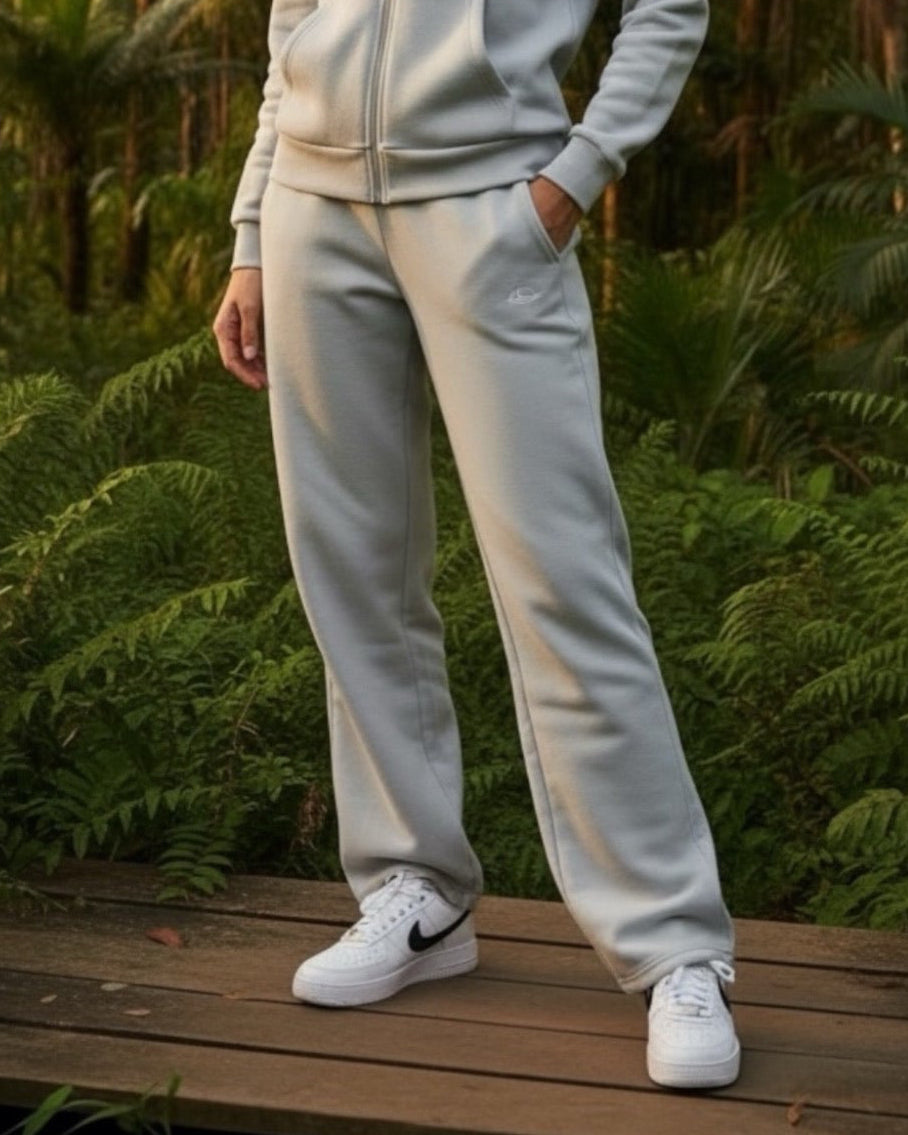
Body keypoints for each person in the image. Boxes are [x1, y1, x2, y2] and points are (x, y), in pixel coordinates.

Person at [212, 0, 741, 1091]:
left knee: (564, 580)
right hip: (313, 207)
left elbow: (668, 7)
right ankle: (414, 890)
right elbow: (294, 21)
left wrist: (575, 176)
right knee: (352, 574)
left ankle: (674, 943)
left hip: (491, 207)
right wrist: (255, 228)